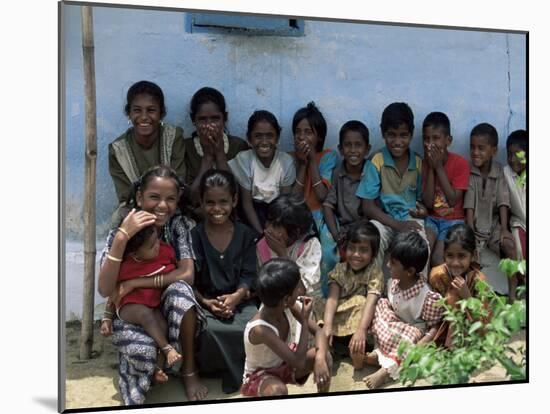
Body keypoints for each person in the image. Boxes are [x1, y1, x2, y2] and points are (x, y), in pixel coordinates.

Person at [98, 165, 207, 404]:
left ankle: (189, 370)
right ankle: (152, 368)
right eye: (154, 197)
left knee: (181, 291)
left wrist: (137, 281)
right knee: (145, 352)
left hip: (165, 311)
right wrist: (122, 237)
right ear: (139, 197)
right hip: (133, 314)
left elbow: (187, 274)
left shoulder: (177, 226)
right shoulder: (122, 229)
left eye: (170, 199)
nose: (162, 206)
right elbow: (106, 290)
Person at [191, 169, 259, 393]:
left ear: (235, 200)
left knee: (252, 327)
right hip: (206, 304)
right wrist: (207, 303)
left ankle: (242, 369)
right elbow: (190, 280)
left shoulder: (246, 235)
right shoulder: (195, 236)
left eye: (223, 202)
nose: (217, 209)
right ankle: (224, 369)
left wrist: (236, 297)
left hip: (240, 303)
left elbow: (249, 275)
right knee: (207, 331)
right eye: (209, 202)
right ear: (201, 202)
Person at [363, 231, 444, 389]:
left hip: (412, 332)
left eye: (393, 263)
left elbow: (435, 326)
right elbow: (388, 309)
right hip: (395, 325)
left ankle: (385, 372)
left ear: (410, 271)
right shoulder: (394, 282)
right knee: (380, 305)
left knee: (408, 344)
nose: (388, 265)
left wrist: (422, 343)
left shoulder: (427, 297)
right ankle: (379, 352)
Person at [356, 102, 429, 274]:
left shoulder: (418, 162)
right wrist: (396, 225)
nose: (397, 141)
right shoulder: (377, 161)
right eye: (391, 135)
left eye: (403, 135)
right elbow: (368, 207)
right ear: (383, 133)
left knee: (420, 245)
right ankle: (374, 292)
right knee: (373, 237)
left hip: (409, 219)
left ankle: (418, 292)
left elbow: (422, 200)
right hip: (384, 219)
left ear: (411, 135)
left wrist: (422, 211)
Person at [241, 258, 332, 397]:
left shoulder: (289, 305)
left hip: (286, 363)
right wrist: (304, 320)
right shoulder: (260, 329)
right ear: (285, 299)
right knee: (278, 391)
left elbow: (319, 332)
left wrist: (319, 359)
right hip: (261, 375)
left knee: (324, 356)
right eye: (297, 288)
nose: (301, 290)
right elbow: (299, 363)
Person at [108, 81, 186, 224]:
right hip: (136, 208)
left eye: (151, 110)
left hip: (170, 207)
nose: (144, 117)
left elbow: (179, 182)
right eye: (137, 110)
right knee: (119, 220)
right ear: (128, 113)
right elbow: (126, 195)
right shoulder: (118, 150)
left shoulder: (174, 137)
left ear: (161, 113)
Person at [315, 221, 384, 369]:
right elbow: (332, 299)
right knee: (318, 303)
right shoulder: (341, 268)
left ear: (373, 254)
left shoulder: (374, 271)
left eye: (363, 250)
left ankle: (357, 352)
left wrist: (361, 330)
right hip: (340, 315)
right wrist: (327, 326)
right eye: (352, 248)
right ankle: (330, 347)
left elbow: (371, 302)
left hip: (363, 321)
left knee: (361, 302)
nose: (356, 255)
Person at [464, 123, 516, 302]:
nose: (475, 152)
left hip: (494, 226)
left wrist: (504, 230)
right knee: (469, 256)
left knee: (510, 246)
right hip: (475, 227)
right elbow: (469, 205)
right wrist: (470, 233)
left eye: (481, 148)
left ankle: (513, 294)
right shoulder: (470, 172)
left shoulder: (499, 171)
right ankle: (473, 298)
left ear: (493, 151)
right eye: (472, 147)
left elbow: (503, 201)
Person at [321, 120, 371, 296]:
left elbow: (373, 209)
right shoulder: (338, 173)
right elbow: (327, 206)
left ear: (367, 149)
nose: (353, 150)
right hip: (342, 228)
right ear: (341, 149)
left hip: (364, 228)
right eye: (348, 145)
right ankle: (329, 299)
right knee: (330, 254)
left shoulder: (371, 172)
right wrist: (335, 234)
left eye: (358, 145)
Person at [229, 110, 296, 234]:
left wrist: (275, 230)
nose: (264, 141)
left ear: (277, 138)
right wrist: (261, 233)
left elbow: (285, 202)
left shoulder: (286, 162)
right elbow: (246, 203)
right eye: (258, 136)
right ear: (249, 138)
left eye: (270, 136)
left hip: (278, 212)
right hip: (251, 212)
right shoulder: (244, 160)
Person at [184, 87, 249, 210]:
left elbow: (236, 196)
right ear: (193, 120)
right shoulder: (186, 147)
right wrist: (207, 157)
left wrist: (220, 155)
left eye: (215, 118)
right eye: (202, 119)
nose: (209, 125)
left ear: (225, 118)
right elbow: (193, 199)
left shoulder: (238, 146)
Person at [422, 112, 470, 266]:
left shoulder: (460, 163)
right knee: (424, 249)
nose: (430, 144)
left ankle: (441, 289)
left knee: (437, 259)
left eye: (436, 138)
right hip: (432, 220)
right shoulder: (423, 164)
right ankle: (422, 289)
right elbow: (429, 203)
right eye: (426, 138)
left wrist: (438, 168)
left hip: (453, 221)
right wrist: (431, 168)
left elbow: (452, 200)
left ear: (448, 140)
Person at [429, 224, 489, 347]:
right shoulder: (437, 276)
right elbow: (431, 314)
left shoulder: (480, 281)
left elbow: (485, 325)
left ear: (472, 256)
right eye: (450, 256)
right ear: (444, 254)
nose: (455, 263)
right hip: (439, 331)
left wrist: (467, 297)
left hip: (471, 334)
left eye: (461, 256)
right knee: (452, 296)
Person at [256, 194, 322, 298]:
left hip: (303, 303)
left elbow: (300, 291)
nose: (268, 229)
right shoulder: (261, 246)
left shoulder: (309, 245)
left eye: (276, 226)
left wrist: (282, 254)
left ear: (295, 231)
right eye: (268, 222)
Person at [291, 102, 339, 227]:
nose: (302, 137)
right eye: (298, 132)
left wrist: (311, 160)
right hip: (296, 216)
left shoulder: (328, 157)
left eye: (308, 132)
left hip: (320, 217)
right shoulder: (289, 158)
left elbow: (322, 195)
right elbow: (294, 198)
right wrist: (302, 164)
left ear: (320, 137)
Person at [502, 129, 527, 260]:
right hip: (519, 223)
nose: (512, 159)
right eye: (509, 154)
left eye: (517, 155)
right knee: (519, 250)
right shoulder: (506, 173)